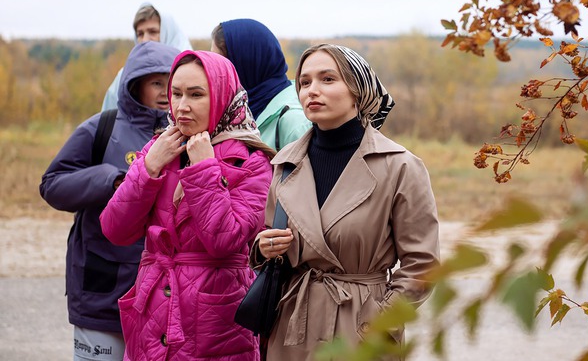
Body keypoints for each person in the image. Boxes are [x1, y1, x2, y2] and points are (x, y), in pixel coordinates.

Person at [253, 43, 441, 360]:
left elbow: (422, 266)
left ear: (357, 90)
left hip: (361, 334)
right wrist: (262, 248)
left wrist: (380, 322)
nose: (312, 90)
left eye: (328, 79)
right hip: (292, 333)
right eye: (304, 82)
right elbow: (274, 246)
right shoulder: (285, 164)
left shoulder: (400, 166)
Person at [100, 50, 275, 360]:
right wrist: (147, 169)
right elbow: (115, 229)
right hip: (153, 313)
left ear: (222, 96)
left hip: (216, 322)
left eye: (196, 94)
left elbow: (225, 241)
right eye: (176, 93)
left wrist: (205, 168)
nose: (182, 106)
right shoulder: (160, 148)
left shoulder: (251, 161)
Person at [39, 41, 181, 361]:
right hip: (103, 288)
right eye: (156, 82)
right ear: (134, 84)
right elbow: (51, 185)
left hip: (161, 292)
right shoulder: (100, 128)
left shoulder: (185, 134)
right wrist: (110, 179)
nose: (165, 91)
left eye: (171, 82)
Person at [210, 19, 311, 151]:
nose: (215, 71)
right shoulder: (239, 111)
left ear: (246, 62)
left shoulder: (293, 122)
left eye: (221, 63)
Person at [101, 3, 192, 111]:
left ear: (168, 33)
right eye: (140, 34)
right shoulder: (126, 76)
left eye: (152, 32)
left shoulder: (190, 69)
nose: (145, 39)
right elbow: (111, 118)